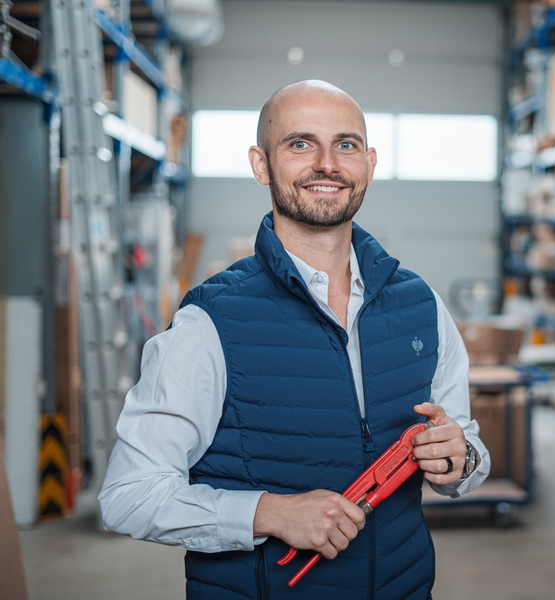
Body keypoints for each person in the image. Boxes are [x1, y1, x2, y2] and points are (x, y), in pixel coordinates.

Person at [99, 79, 490, 599]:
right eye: (301, 144)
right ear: (261, 165)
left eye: (346, 145)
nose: (327, 163)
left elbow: (464, 443)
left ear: (369, 164)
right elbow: (129, 495)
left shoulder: (422, 306)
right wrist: (269, 513)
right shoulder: (210, 322)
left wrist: (460, 458)